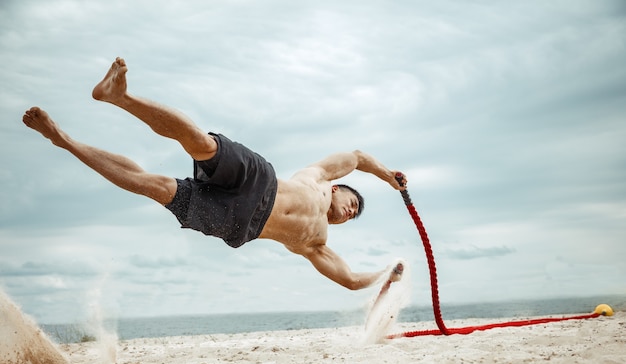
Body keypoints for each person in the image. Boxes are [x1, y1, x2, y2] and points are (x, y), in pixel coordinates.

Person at [22, 57, 407, 291]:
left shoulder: (315, 243)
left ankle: (64, 140)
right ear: (337, 188)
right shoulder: (318, 178)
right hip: (259, 181)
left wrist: (386, 274)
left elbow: (352, 280)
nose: (351, 211)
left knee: (150, 185)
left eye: (354, 215)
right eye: (353, 202)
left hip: (235, 222)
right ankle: (120, 97)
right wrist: (388, 176)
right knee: (201, 143)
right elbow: (356, 156)